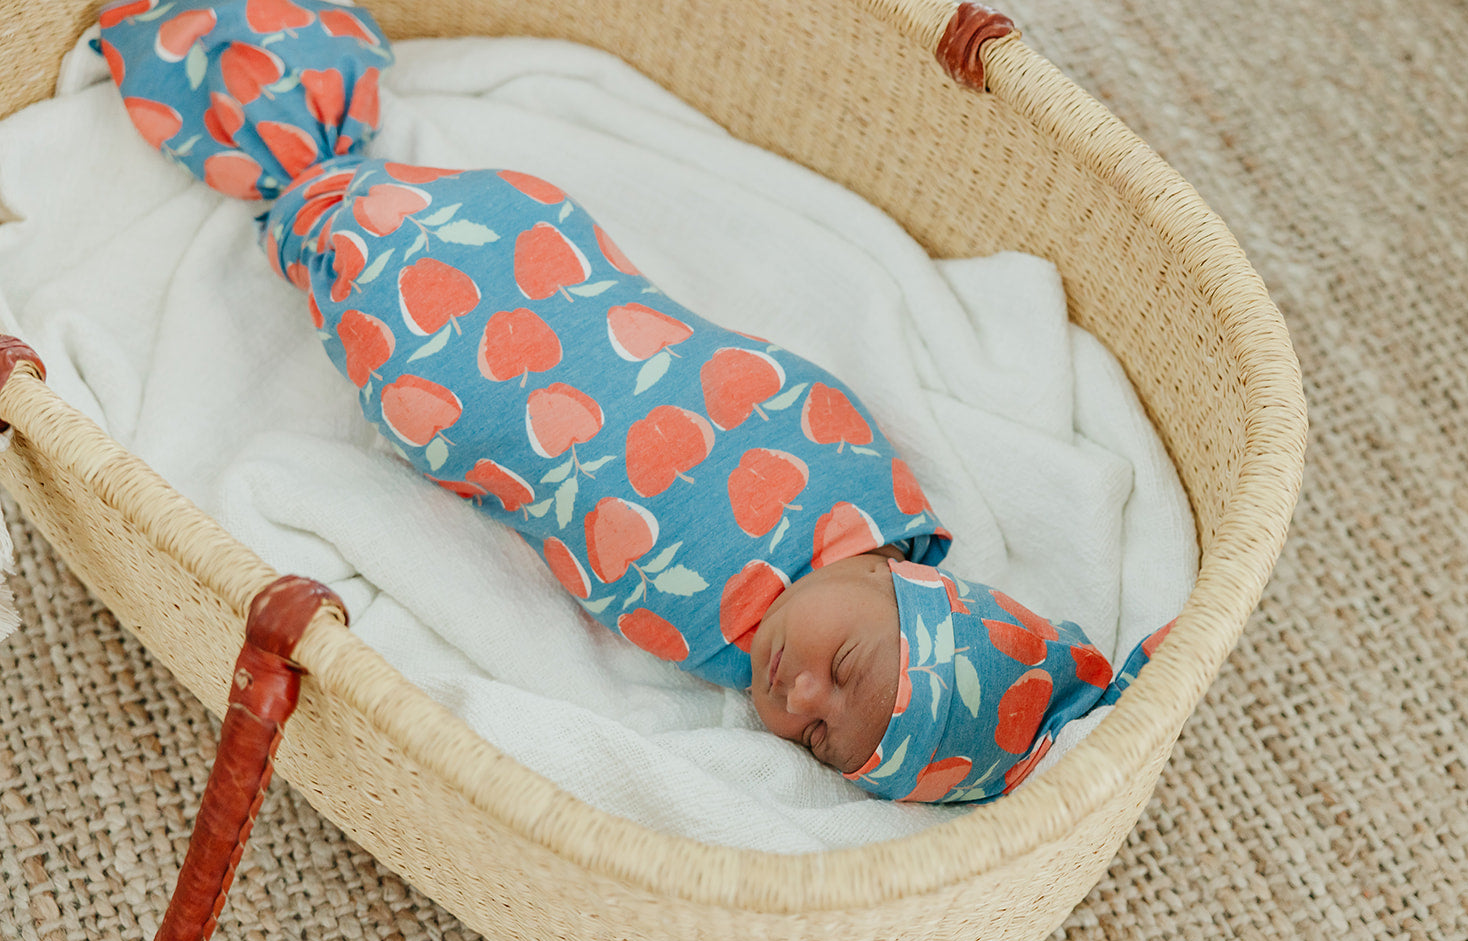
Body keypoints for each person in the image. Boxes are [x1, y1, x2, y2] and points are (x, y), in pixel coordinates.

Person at [98, 0, 1167, 802]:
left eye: (819, 740)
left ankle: (293, 175)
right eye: (844, 668)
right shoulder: (851, 484)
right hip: (545, 277)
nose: (798, 697)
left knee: (375, 304)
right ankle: (279, 100)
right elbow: (749, 370)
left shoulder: (719, 644)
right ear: (903, 577)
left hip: (457, 393)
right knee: (410, 240)